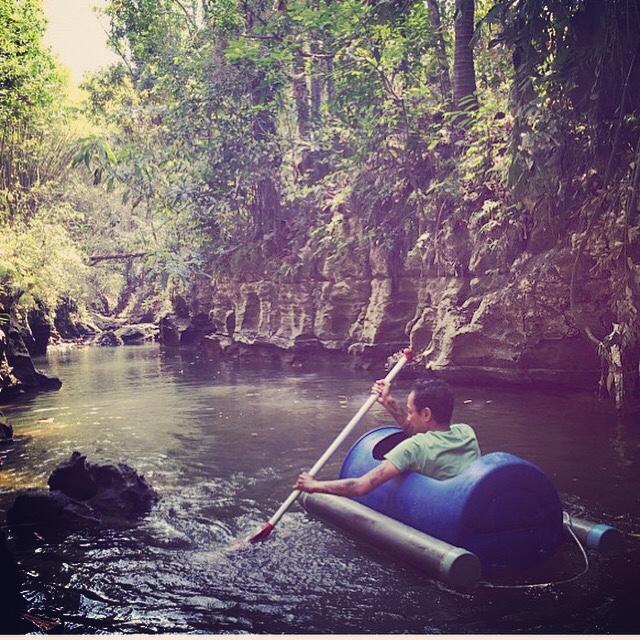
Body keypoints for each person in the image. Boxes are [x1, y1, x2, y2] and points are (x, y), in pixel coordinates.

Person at [293, 378, 480, 497]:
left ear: (426, 414)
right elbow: (422, 433)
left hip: (445, 512)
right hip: (471, 504)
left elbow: (360, 486)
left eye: (410, 411)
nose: (408, 417)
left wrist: (313, 485)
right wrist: (388, 402)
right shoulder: (466, 433)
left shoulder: (414, 447)